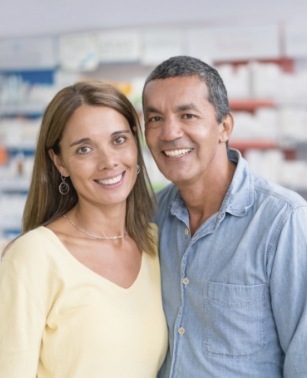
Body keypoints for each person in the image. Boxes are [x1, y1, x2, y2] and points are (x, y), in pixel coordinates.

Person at [142, 55, 307, 378]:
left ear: (224, 126)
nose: (170, 132)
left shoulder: (283, 221)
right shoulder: (151, 215)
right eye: (155, 119)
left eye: (187, 115)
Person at [0, 81, 168, 377]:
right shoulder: (34, 257)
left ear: (134, 142)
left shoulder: (156, 244)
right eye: (84, 149)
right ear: (59, 161)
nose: (109, 162)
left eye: (118, 140)